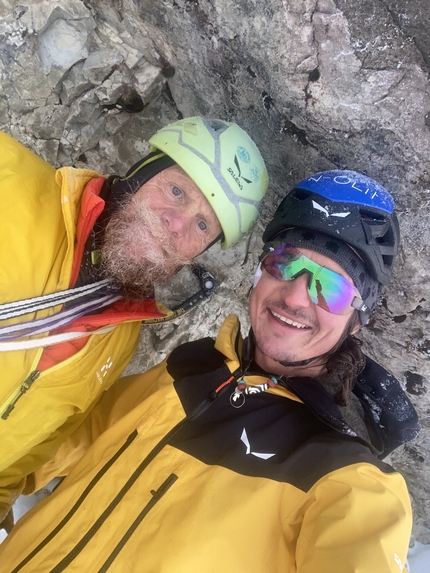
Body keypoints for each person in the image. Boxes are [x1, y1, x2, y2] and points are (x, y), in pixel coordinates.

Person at [0, 171, 419, 573]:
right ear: (258, 272)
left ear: (357, 319)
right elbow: (67, 436)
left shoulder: (349, 478)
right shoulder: (192, 369)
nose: (294, 297)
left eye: (331, 287)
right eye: (283, 265)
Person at [0, 116, 268, 532]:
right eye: (176, 190)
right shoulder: (8, 180)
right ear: (141, 174)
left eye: (202, 225)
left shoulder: (118, 337)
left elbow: (33, 444)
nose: (176, 225)